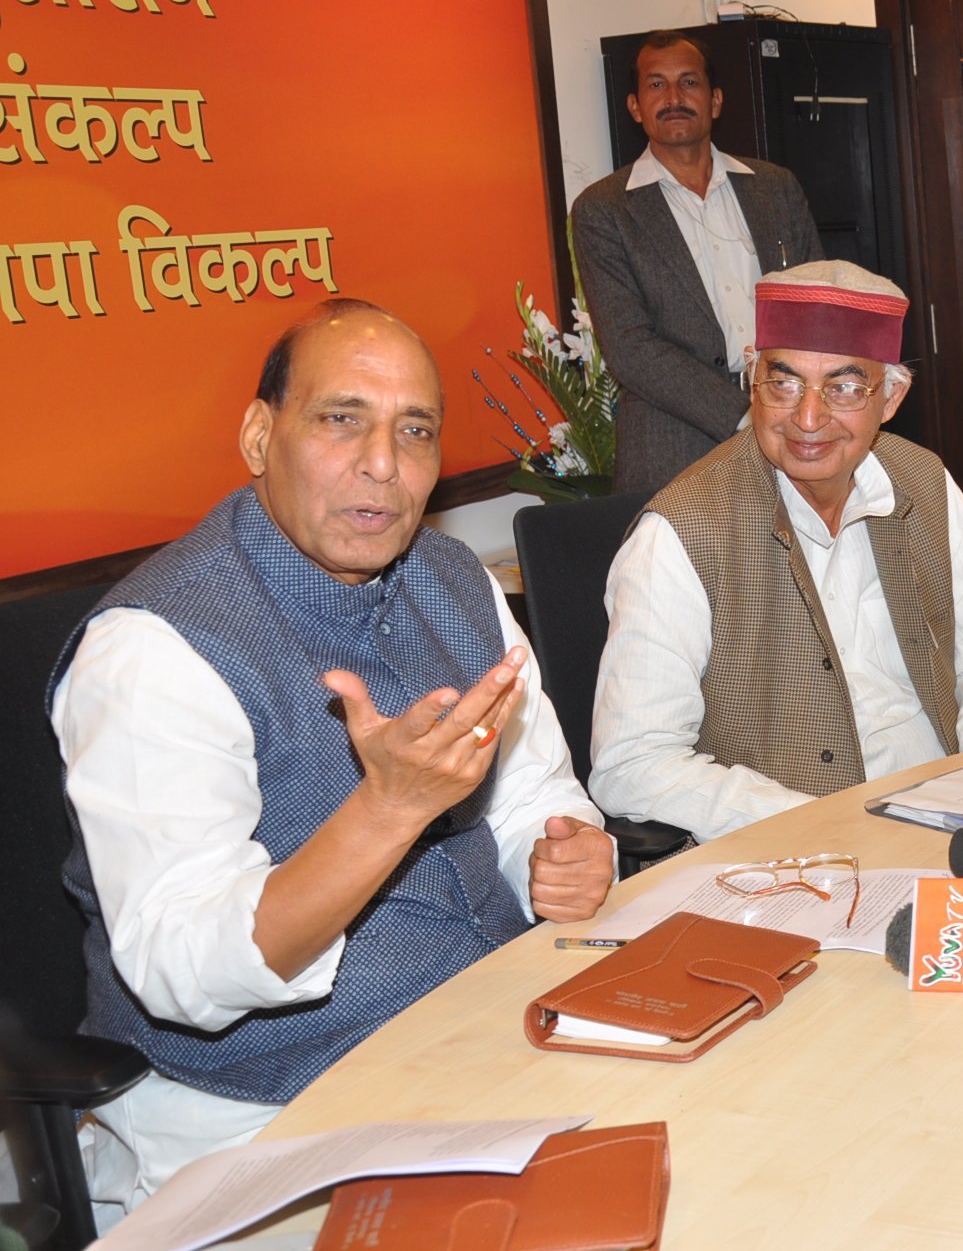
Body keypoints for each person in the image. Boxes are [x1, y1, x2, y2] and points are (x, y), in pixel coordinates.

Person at [51, 300, 614, 1212]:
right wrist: (385, 812)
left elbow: (535, 795)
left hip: (488, 1039)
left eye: (415, 431)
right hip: (261, 1116)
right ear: (258, 435)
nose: (383, 466)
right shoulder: (156, 649)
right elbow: (186, 973)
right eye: (341, 419)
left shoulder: (456, 579)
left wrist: (565, 854)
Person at [589, 261, 963, 841]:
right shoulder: (681, 533)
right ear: (753, 380)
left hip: (954, 813)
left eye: (845, 387)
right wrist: (824, 825)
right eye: (784, 382)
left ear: (892, 396)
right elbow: (632, 765)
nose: (807, 418)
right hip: (802, 846)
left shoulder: (924, 481)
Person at [572, 29, 826, 491]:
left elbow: (815, 305)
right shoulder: (604, 208)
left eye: (689, 83)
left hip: (794, 427)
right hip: (673, 447)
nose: (673, 97)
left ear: (715, 101)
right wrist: (747, 415)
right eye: (656, 85)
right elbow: (631, 349)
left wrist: (792, 407)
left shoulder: (776, 188)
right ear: (635, 106)